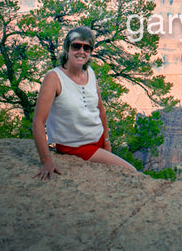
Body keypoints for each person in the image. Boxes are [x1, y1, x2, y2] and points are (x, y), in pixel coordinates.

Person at [32, 26, 137, 180]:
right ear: (67, 49)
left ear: (90, 52)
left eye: (86, 48)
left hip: (98, 141)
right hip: (77, 147)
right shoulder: (54, 78)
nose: (81, 51)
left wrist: (106, 142)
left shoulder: (90, 73)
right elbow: (38, 122)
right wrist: (46, 160)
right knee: (131, 172)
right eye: (76, 46)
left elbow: (100, 109)